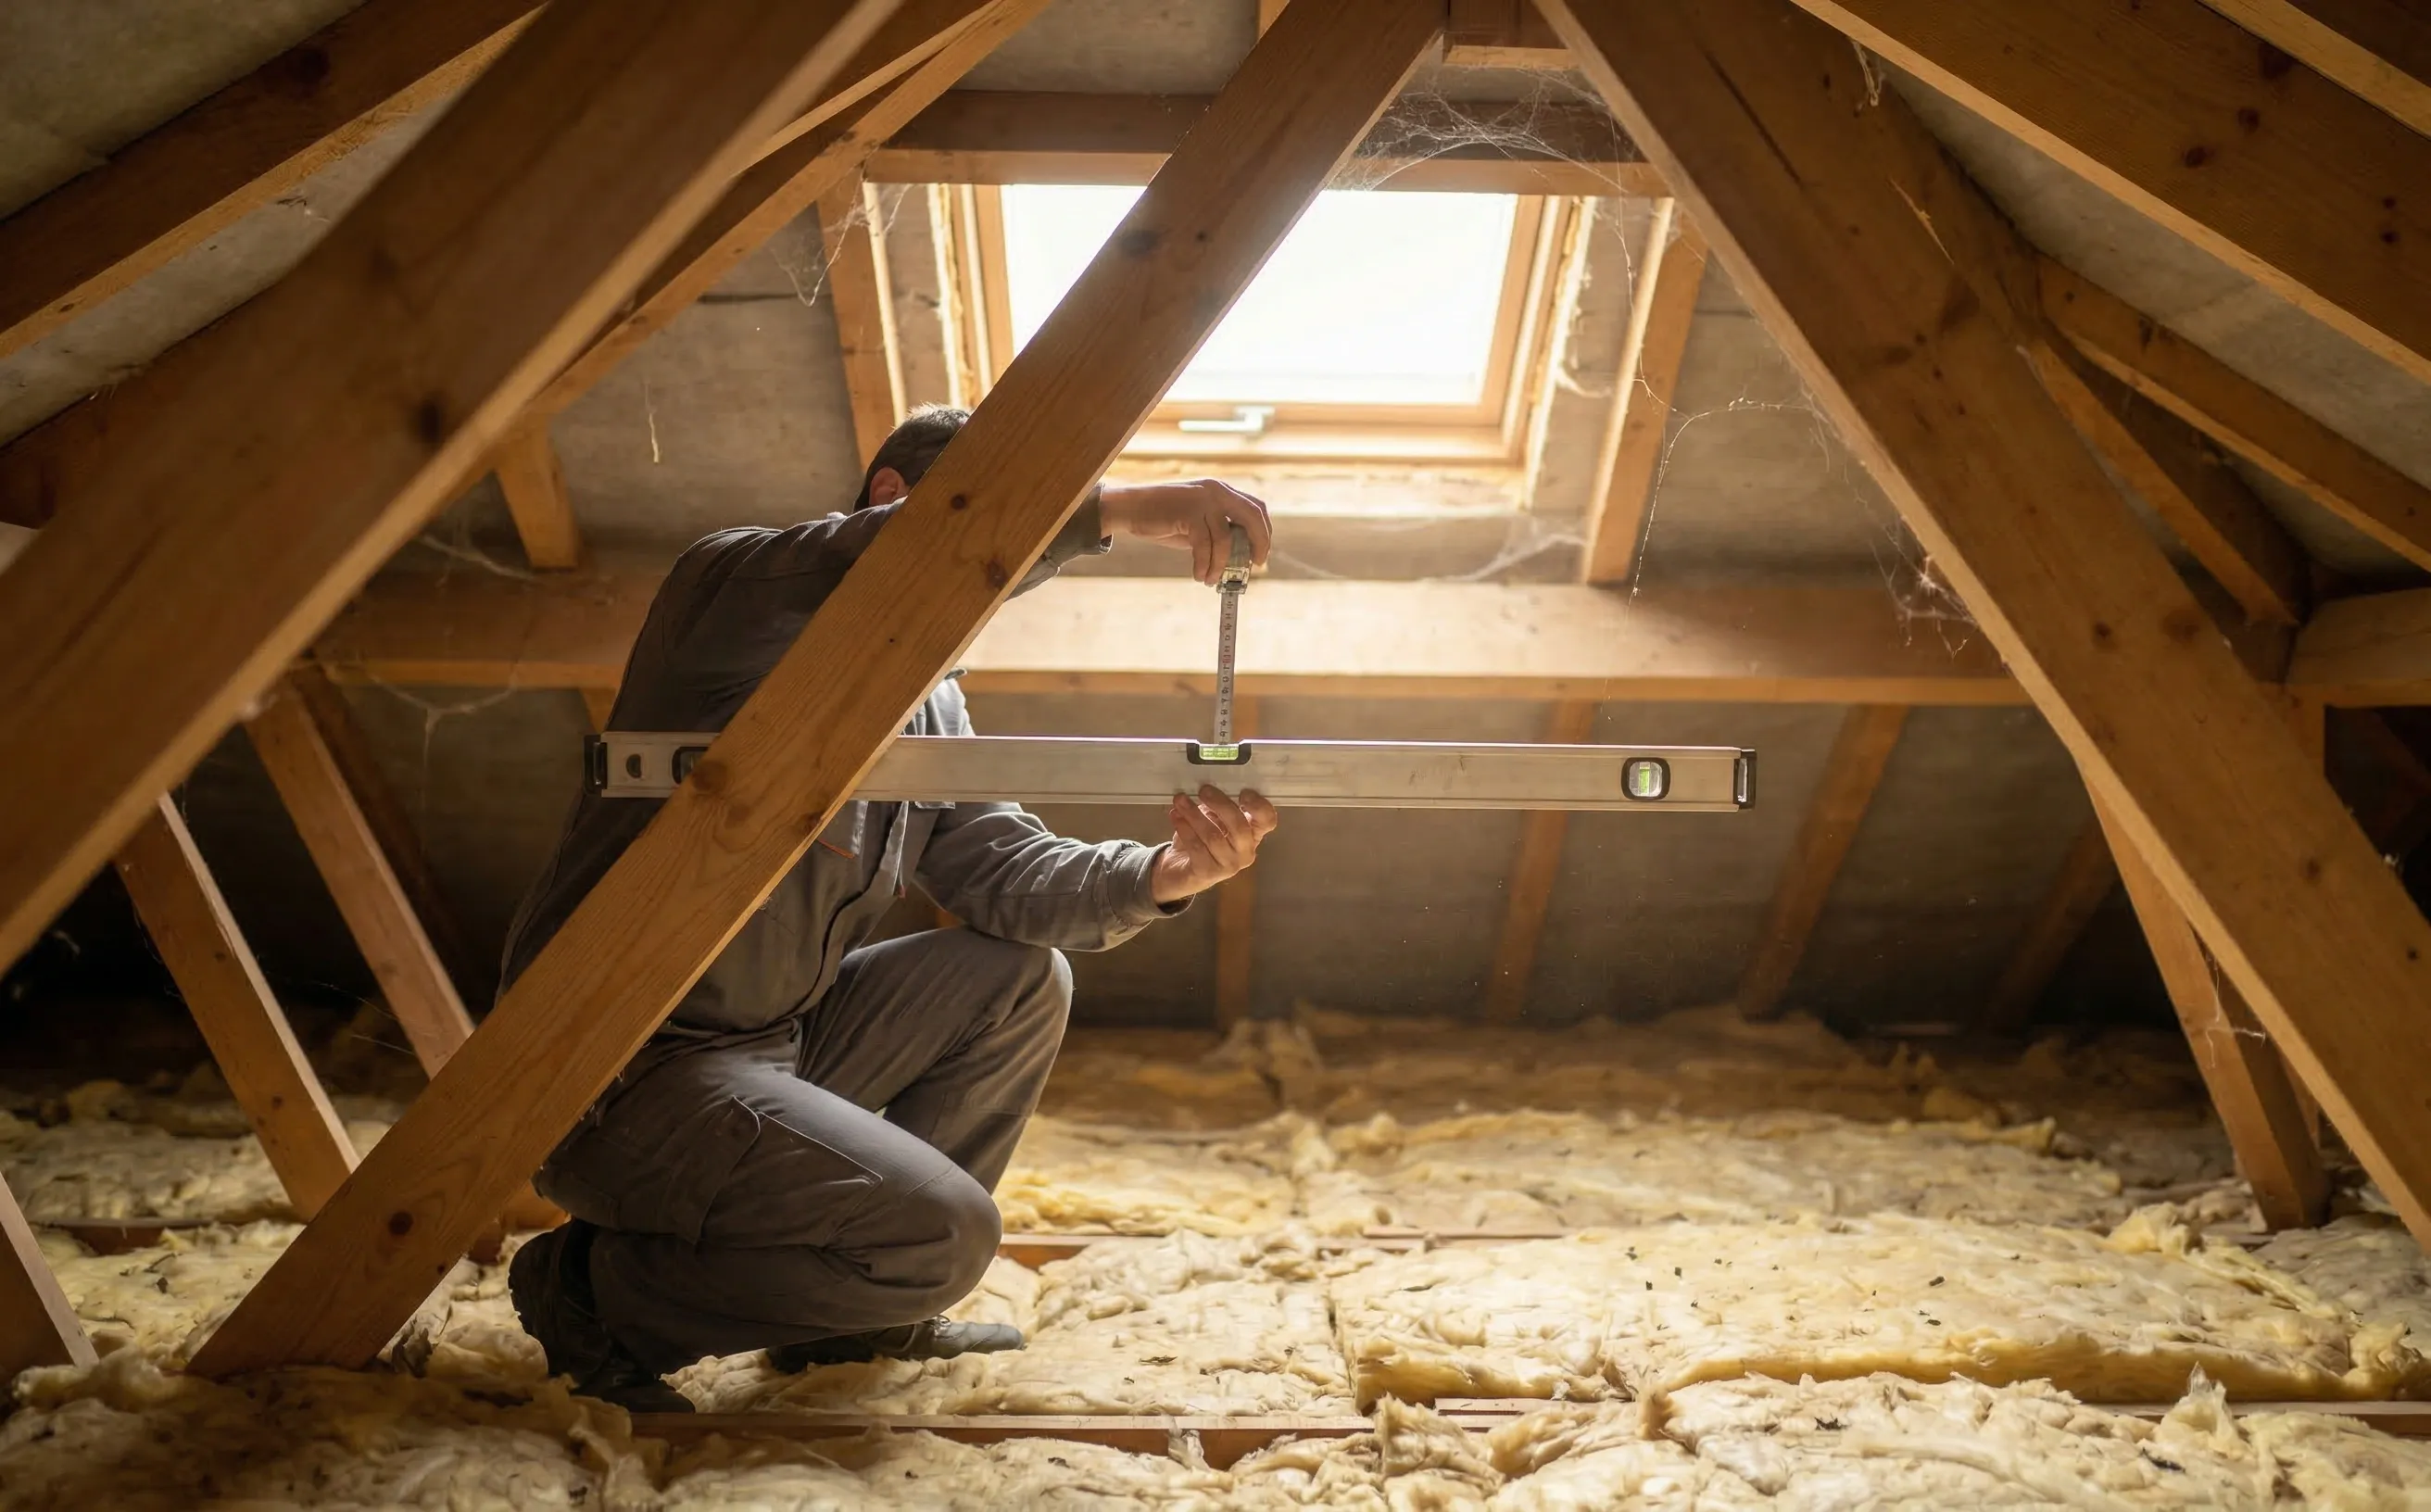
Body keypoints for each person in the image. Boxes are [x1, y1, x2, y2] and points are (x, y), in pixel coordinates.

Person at [503, 406, 1280, 1412]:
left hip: (764, 1046)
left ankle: (848, 1323)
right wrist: (1129, 507)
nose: (998, 577)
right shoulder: (738, 590)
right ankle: (592, 1298)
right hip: (616, 1073)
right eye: (998, 531)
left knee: (1017, 977)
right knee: (943, 1235)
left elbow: (1005, 870)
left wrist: (1165, 873)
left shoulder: (932, 705)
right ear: (889, 499)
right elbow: (936, 548)